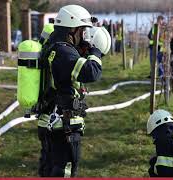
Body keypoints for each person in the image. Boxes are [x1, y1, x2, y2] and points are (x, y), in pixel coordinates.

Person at [36, 5, 108, 177]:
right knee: (64, 171)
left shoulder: (53, 45)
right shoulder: (64, 51)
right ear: (72, 29)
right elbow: (91, 72)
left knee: (48, 168)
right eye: (83, 31)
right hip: (62, 125)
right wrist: (95, 53)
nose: (84, 36)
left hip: (51, 121)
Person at [37, 22, 54, 177]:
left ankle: (43, 172)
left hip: (42, 115)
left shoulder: (40, 56)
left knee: (45, 152)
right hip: (50, 117)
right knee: (51, 154)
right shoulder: (53, 59)